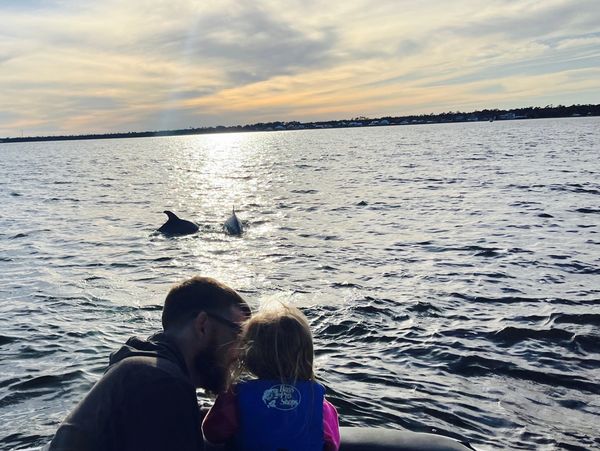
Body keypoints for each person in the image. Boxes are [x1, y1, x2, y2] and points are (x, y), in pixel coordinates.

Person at [49, 276, 250, 451]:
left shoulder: (143, 370)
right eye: (240, 334)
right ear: (202, 325)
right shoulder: (160, 382)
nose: (243, 353)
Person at [202, 304, 340, 451]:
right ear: (306, 353)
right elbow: (332, 444)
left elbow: (212, 434)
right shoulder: (320, 404)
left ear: (249, 356)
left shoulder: (234, 398)